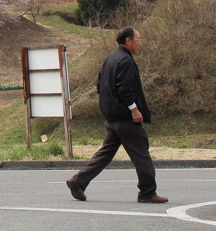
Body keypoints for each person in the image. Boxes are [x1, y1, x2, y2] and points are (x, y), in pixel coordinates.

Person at [66, 27, 167, 204]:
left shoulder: (111, 58)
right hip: (125, 118)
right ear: (128, 41)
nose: (140, 43)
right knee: (141, 153)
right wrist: (134, 109)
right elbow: (125, 88)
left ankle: (79, 181)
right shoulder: (125, 60)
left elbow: (99, 84)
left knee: (106, 153)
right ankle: (147, 192)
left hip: (111, 117)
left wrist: (110, 103)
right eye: (138, 39)